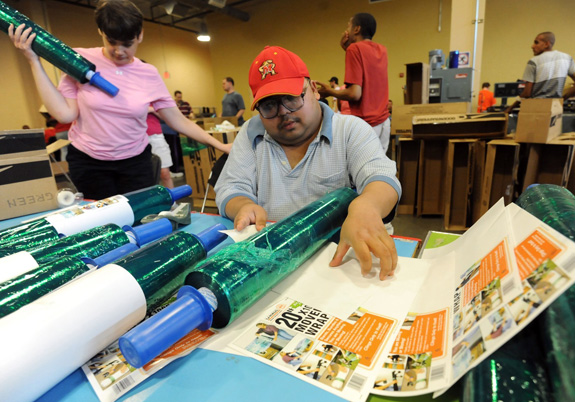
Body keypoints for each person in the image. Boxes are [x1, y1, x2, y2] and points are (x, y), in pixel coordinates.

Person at [8, 0, 230, 200]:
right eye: (111, 41)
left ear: (140, 35)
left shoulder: (148, 73)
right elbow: (64, 114)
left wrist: (218, 144)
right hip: (89, 162)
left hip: (135, 163)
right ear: (100, 32)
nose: (119, 51)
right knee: (106, 227)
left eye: (127, 43)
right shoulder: (79, 61)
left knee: (141, 221)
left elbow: (178, 120)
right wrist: (33, 61)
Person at [215, 46, 401, 280]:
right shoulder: (251, 134)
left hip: (341, 260)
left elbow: (382, 178)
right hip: (276, 261)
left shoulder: (350, 130)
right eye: (269, 105)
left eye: (291, 98)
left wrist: (367, 206)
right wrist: (242, 205)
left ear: (314, 90)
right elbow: (229, 187)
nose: (283, 112)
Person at [316, 13, 390, 153]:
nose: (346, 30)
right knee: (380, 169)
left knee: (360, 173)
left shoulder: (354, 50)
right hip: (384, 122)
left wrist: (329, 91)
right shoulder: (382, 50)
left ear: (356, 29)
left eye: (348, 25)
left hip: (367, 124)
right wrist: (348, 50)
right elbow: (368, 71)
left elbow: (355, 94)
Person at [506, 32, 575, 112]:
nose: (532, 46)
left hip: (536, 108)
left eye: (536, 42)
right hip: (556, 108)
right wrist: (563, 98)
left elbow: (527, 94)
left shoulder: (534, 61)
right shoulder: (567, 58)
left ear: (547, 44)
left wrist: (510, 108)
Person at [146, 107, 174, 188]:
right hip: (135, 137)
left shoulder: (152, 96)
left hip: (155, 136)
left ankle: (172, 200)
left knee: (165, 173)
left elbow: (167, 117)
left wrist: (152, 109)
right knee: (145, 176)